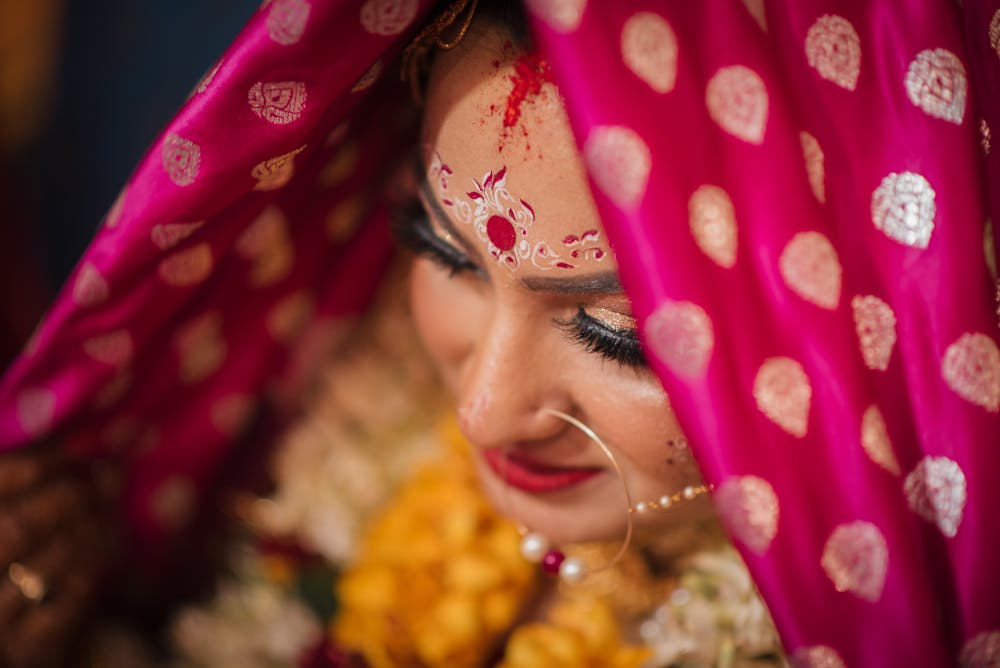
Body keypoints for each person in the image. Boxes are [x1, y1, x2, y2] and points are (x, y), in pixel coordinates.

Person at [1, 0, 998, 666]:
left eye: (623, 336)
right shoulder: (343, 417)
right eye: (443, 252)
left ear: (869, 338)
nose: (482, 407)